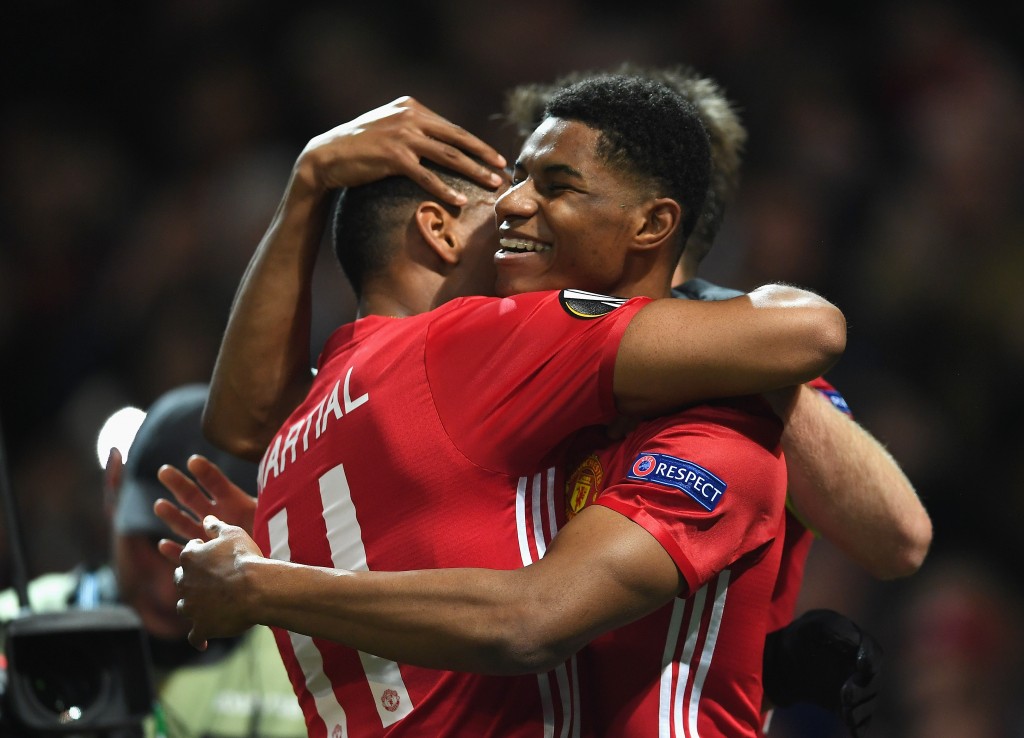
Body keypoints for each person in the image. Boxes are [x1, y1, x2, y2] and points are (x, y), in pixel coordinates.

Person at [163, 77, 844, 738]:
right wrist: (263, 585)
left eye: (551, 187)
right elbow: (809, 330)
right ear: (437, 230)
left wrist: (309, 180)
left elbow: (239, 423)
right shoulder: (476, 345)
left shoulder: (298, 434)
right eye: (506, 192)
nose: (515, 207)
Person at [501, 62, 931, 736]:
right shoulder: (503, 344)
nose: (514, 204)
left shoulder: (760, 368)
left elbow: (898, 540)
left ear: (656, 214)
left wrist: (738, 355)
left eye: (558, 182)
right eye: (521, 174)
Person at [0, 384, 307, 738]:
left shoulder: (308, 670)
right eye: (151, 541)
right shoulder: (11, 632)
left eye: (205, 558)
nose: (167, 591)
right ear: (113, 482)